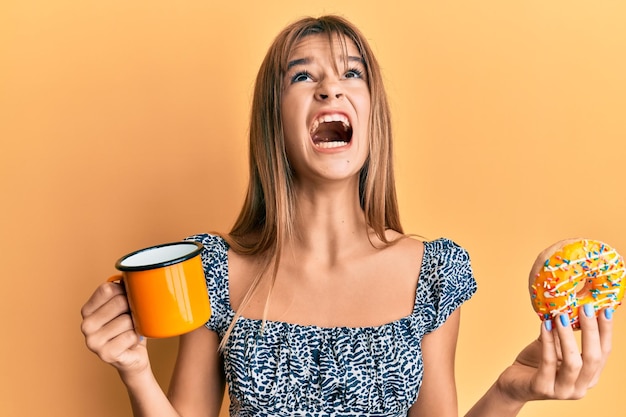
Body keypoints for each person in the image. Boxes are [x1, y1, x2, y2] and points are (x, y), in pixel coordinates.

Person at [80, 15, 614, 417]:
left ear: (370, 113)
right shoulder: (215, 272)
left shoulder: (432, 274)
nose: (330, 87)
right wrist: (134, 371)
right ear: (275, 120)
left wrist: (509, 391)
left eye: (350, 74)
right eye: (302, 76)